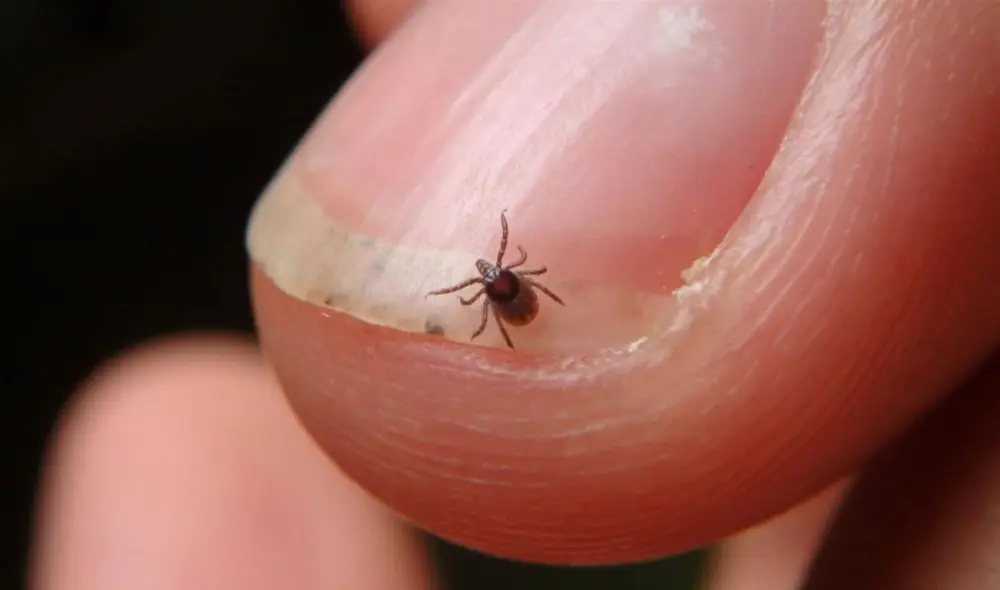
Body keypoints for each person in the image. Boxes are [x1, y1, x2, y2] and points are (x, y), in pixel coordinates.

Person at [29, 1, 1000, 588]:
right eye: (498, 277)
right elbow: (511, 288)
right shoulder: (505, 282)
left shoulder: (497, 286)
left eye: (499, 274)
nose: (499, 278)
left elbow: (505, 291)